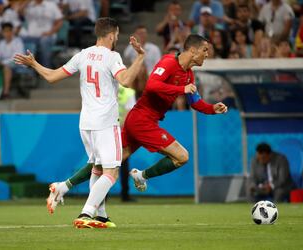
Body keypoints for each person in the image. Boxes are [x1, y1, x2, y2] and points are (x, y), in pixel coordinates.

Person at [48, 34, 228, 210]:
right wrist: (181, 88)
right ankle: (141, 176)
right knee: (182, 156)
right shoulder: (168, 62)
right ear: (193, 50)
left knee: (107, 163)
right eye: (204, 50)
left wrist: (212, 109)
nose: (207, 54)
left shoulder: (188, 75)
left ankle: (63, 186)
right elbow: (152, 85)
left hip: (142, 120)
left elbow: (195, 102)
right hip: (142, 120)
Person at [14, 17, 145, 229]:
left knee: (97, 169)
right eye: (117, 35)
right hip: (105, 122)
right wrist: (140, 57)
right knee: (111, 172)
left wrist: (34, 63)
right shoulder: (112, 57)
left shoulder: (82, 55)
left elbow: (52, 76)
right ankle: (87, 213)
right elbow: (127, 81)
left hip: (86, 123)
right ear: (112, 35)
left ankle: (100, 215)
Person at [0, 22, 24, 99]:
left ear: (12, 31)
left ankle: (6, 92)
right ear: (2, 33)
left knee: (6, 67)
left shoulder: (18, 42)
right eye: (5, 31)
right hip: (4, 64)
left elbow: (17, 58)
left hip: (17, 65)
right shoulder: (1, 43)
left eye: (9, 31)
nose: (7, 33)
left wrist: (2, 63)